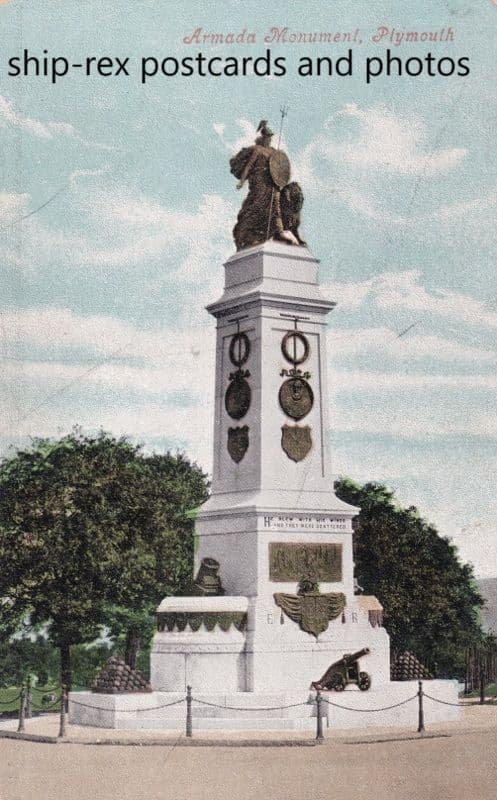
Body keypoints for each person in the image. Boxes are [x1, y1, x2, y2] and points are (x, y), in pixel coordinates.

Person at [229, 120, 299, 250]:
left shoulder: (274, 152)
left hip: (273, 183)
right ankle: (249, 233)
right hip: (260, 183)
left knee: (276, 207)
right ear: (263, 137)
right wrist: (242, 181)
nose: (269, 140)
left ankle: (279, 232)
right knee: (257, 205)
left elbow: (280, 167)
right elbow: (249, 165)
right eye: (268, 137)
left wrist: (280, 178)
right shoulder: (258, 150)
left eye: (271, 137)